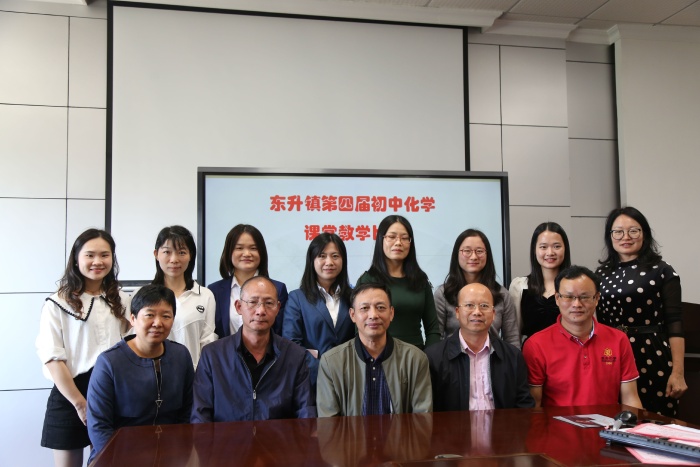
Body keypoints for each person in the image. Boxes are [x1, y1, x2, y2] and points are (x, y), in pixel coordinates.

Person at [36, 229, 131, 467]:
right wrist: (80, 403)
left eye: (104, 255)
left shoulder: (122, 299)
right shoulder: (57, 303)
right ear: (76, 259)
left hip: (113, 390)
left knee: (109, 462)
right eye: (90, 255)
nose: (98, 261)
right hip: (71, 392)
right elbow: (52, 358)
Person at [86, 285, 194, 464]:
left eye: (166, 316)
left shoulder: (181, 355)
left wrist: (178, 452)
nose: (158, 323)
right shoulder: (109, 362)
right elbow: (99, 426)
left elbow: (188, 411)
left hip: (170, 454)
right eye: (149, 315)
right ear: (133, 318)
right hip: (118, 456)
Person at [596, 206, 687, 416]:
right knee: (613, 420)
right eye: (618, 232)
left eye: (633, 231)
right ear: (610, 236)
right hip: (612, 355)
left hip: (651, 353)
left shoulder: (662, 270)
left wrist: (678, 373)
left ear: (644, 233)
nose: (625, 237)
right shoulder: (600, 274)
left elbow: (675, 323)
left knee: (656, 422)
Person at [192, 276, 315, 422]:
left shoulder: (295, 355)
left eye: (269, 303)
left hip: (278, 437)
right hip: (227, 437)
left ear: (278, 308)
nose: (261, 311)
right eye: (253, 302)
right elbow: (200, 416)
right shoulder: (213, 355)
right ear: (239, 307)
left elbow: (306, 412)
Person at [522, 265, 642, 408]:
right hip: (557, 423)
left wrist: (634, 422)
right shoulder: (536, 345)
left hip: (608, 422)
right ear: (557, 298)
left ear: (597, 298)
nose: (577, 304)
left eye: (584, 297)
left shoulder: (619, 339)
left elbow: (630, 398)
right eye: (568, 297)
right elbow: (534, 406)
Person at [316, 282, 432, 416]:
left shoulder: (415, 359)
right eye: (364, 308)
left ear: (391, 313)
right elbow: (329, 423)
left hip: (401, 431)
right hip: (351, 432)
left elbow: (422, 419)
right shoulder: (331, 362)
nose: (373, 315)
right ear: (352, 315)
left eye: (380, 307)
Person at [426, 283, 534, 410]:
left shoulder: (513, 356)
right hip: (454, 424)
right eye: (469, 305)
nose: (477, 312)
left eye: (484, 306)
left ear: (493, 314)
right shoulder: (434, 358)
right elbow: (429, 410)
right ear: (457, 312)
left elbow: (524, 406)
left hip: (501, 423)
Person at [282, 233, 355, 386]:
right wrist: (323, 371)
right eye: (322, 256)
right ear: (312, 260)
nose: (329, 262)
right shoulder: (297, 298)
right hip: (311, 380)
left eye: (335, 256)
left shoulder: (354, 297)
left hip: (349, 378)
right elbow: (291, 343)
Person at [356, 215, 439, 349]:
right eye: (392, 237)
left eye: (404, 238)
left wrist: (428, 357)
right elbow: (358, 329)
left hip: (416, 355)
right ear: (381, 240)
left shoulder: (420, 280)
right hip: (378, 354)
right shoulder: (368, 280)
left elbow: (433, 329)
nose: (398, 242)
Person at [434, 229, 519, 347]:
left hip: (494, 356)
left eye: (479, 251)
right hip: (453, 356)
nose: (474, 257)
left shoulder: (502, 294)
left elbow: (512, 339)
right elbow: (436, 338)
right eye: (467, 251)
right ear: (456, 254)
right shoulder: (443, 294)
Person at [151, 226, 217, 368]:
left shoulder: (205, 296)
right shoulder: (143, 295)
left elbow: (208, 342)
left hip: (193, 375)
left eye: (181, 252)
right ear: (156, 254)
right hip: (152, 374)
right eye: (167, 252)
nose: (174, 259)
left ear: (190, 255)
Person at [208, 224, 288, 338]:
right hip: (225, 349)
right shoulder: (214, 290)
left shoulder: (278, 288)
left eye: (253, 248)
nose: (247, 254)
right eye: (239, 248)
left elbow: (280, 333)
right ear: (229, 252)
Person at [509, 222, 571, 342]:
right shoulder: (520, 286)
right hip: (531, 352)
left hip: (569, 352)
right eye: (543, 247)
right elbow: (513, 335)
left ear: (565, 249)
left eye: (556, 246)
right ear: (534, 250)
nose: (550, 252)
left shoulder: (576, 286)